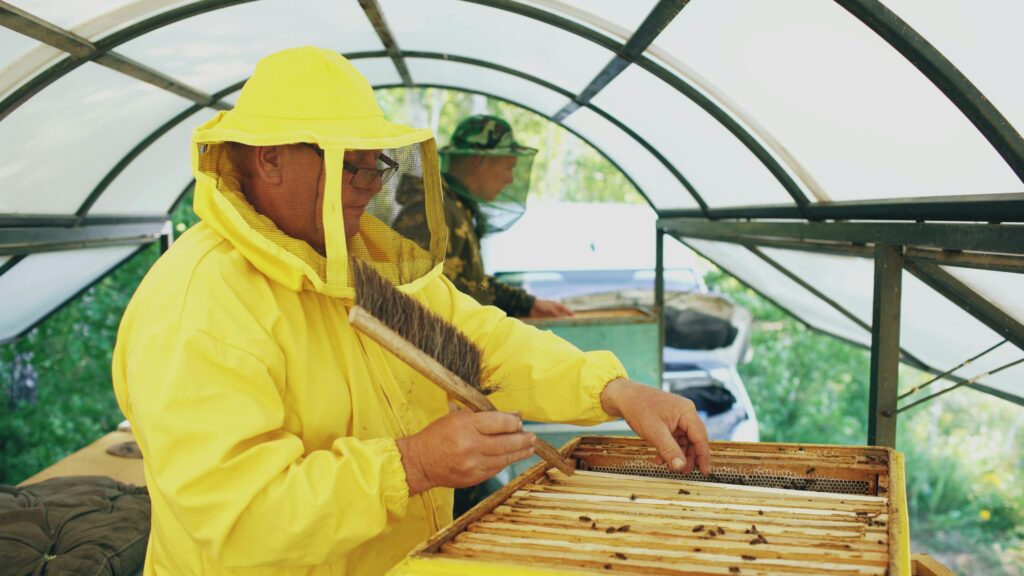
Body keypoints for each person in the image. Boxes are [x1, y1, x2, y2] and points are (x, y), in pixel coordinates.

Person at [111, 46, 709, 576]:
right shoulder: (197, 307)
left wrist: (614, 390)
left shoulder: (357, 263)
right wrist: (414, 463)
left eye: (377, 164)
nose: (370, 185)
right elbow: (239, 515)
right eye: (351, 164)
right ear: (269, 159)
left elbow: (478, 345)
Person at [394, 114, 572, 318]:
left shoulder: (453, 208)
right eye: (508, 167)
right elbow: (420, 301)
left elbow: (471, 284)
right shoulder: (431, 213)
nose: (510, 179)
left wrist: (526, 304)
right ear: (478, 162)